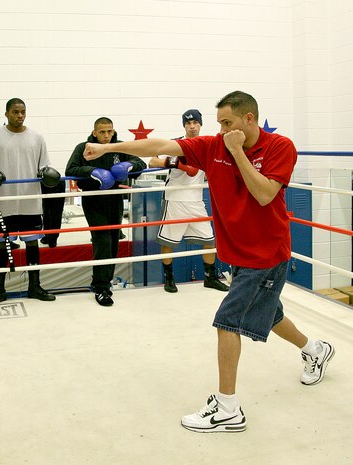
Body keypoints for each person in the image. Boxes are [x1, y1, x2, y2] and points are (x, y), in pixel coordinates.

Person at [83, 91, 335, 432]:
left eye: (227, 122)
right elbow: (159, 145)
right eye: (219, 123)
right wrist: (109, 148)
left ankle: (228, 408)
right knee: (269, 314)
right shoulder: (213, 146)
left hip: (267, 253)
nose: (221, 130)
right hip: (238, 253)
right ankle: (315, 349)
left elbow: (263, 194)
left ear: (249, 119)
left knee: (227, 321)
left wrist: (236, 153)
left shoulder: (280, 147)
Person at [0, 98, 59, 307]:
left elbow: (45, 166)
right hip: (3, 201)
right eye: (15, 112)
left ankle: (34, 286)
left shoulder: (36, 137)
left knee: (32, 242)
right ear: (6, 113)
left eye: (23, 111)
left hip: (29, 200)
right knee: (1, 245)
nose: (20, 115)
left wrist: (47, 174)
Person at [66, 117, 147, 306]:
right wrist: (93, 172)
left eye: (109, 131)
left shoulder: (119, 146)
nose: (106, 135)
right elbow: (71, 169)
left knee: (112, 242)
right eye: (102, 132)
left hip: (115, 198)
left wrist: (128, 166)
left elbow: (141, 163)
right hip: (93, 199)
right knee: (102, 240)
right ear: (95, 132)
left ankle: (105, 282)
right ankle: (101, 287)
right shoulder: (84, 148)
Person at [148, 109, 229, 293]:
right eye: (188, 124)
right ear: (184, 126)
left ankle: (209, 278)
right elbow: (152, 161)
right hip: (175, 200)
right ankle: (169, 279)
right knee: (168, 242)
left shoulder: (207, 145)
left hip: (196, 201)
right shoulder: (176, 144)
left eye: (195, 123)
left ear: (200, 124)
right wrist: (178, 164)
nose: (192, 127)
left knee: (210, 240)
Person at [40, 178, 66, 248]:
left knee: (53, 210)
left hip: (55, 179)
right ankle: (48, 237)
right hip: (45, 179)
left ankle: (51, 238)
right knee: (46, 209)